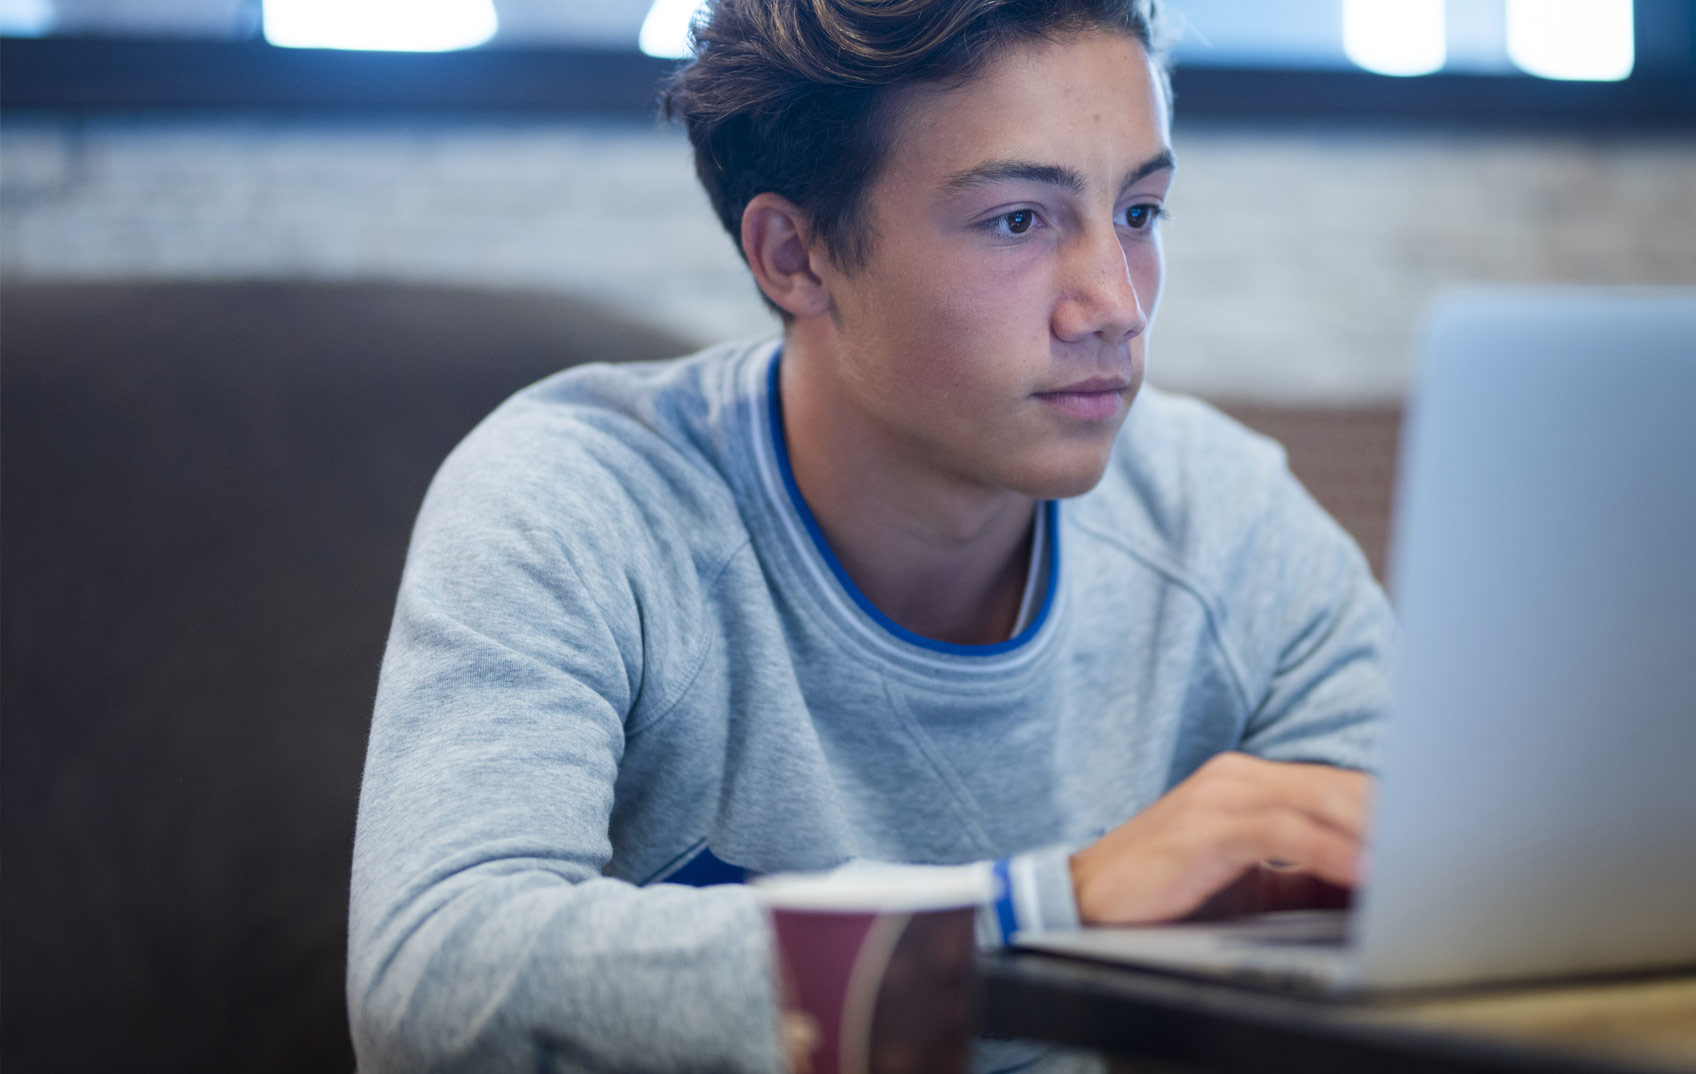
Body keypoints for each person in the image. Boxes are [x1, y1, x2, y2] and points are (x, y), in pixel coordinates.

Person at [345, 1, 1395, 1070]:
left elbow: (1451, 901)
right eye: (1018, 221)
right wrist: (1045, 912)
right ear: (794, 255)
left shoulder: (1227, 522)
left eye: (1139, 211)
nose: (1114, 306)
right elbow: (433, 986)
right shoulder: (575, 501)